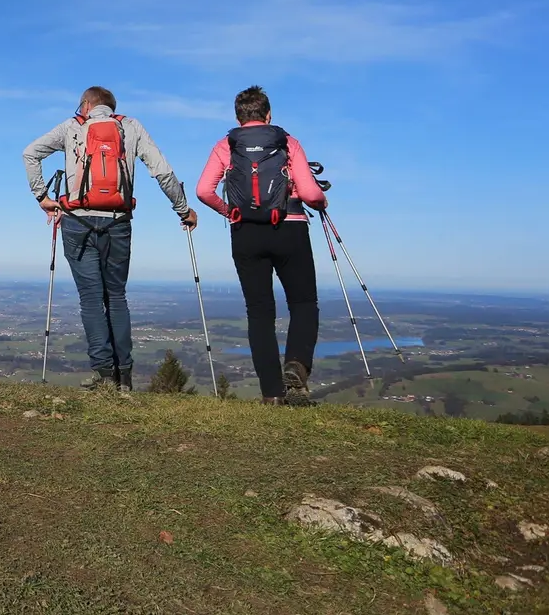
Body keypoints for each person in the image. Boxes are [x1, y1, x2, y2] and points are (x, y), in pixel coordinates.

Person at [23, 86, 197, 392]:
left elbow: (30, 153)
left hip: (77, 222)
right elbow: (163, 172)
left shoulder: (71, 127)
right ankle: (124, 378)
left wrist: (42, 196)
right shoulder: (130, 127)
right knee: (116, 297)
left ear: (87, 105)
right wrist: (183, 210)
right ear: (111, 108)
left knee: (91, 299)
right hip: (118, 223)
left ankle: (104, 375)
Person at [195, 85, 327, 406]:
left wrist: (230, 212)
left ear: (239, 116)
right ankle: (296, 365)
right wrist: (321, 201)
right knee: (303, 303)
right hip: (289, 228)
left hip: (245, 233)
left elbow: (203, 190)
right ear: (268, 114)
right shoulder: (286, 142)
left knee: (259, 312)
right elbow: (310, 194)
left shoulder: (226, 145)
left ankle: (271, 393)